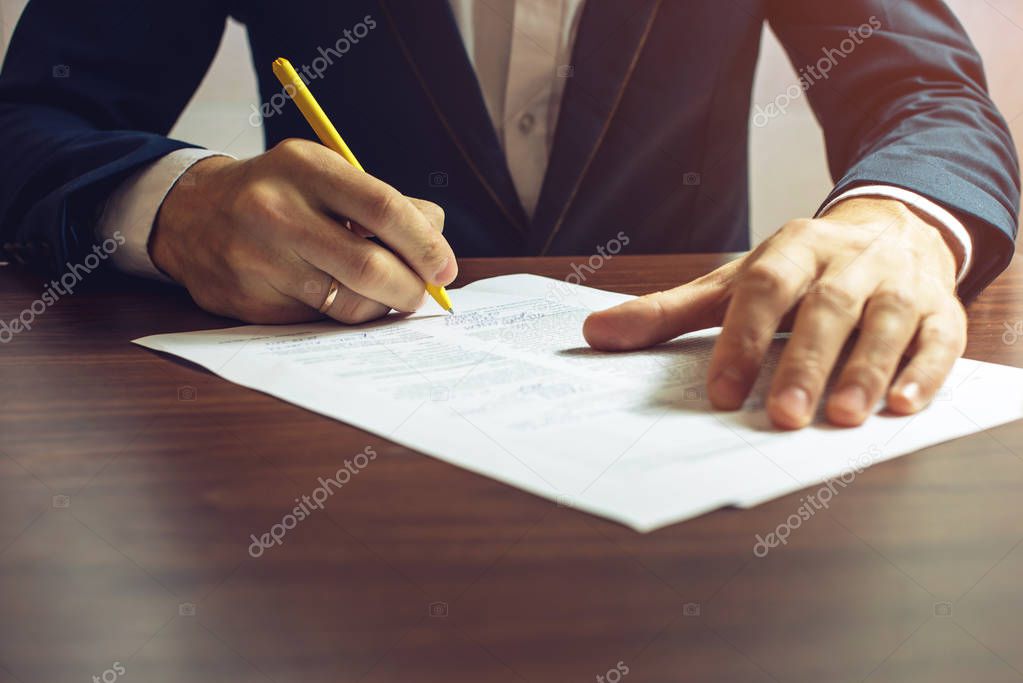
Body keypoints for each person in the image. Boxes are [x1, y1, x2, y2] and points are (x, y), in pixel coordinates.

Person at [0, 1, 1018, 430]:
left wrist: (900, 219)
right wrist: (179, 202)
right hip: (317, 456)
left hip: (682, 432)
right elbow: (34, 114)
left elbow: (927, 94)